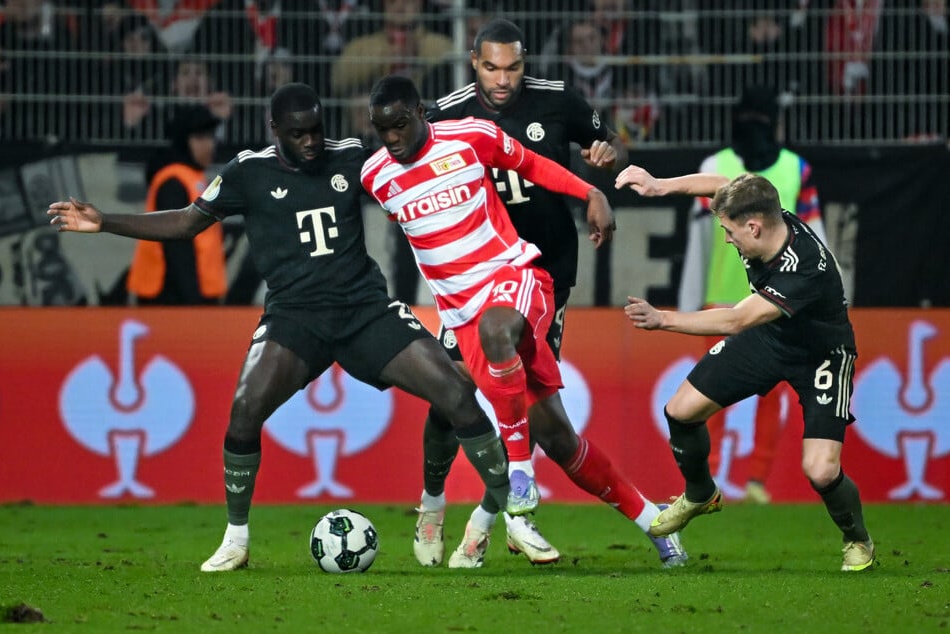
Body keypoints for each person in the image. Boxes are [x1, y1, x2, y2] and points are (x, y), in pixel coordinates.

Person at [47, 82, 515, 573]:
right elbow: (186, 224)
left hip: (364, 311)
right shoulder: (247, 173)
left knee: (457, 393)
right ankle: (236, 539)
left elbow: (417, 150)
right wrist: (105, 223)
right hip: (294, 319)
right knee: (245, 410)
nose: (311, 142)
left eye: (316, 131)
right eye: (299, 134)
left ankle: (492, 513)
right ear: (276, 131)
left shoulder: (352, 157)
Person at [362, 74, 686, 571]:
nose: (392, 138)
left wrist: (589, 194)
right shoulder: (375, 175)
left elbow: (532, 164)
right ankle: (654, 521)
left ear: (422, 112)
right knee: (557, 437)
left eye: (400, 125)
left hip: (516, 276)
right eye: (382, 129)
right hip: (459, 313)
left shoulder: (470, 134)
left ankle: (517, 479)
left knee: (497, 331)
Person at [615, 166, 875, 572]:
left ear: (753, 228)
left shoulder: (805, 268)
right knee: (680, 411)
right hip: (771, 337)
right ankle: (700, 493)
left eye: (730, 233)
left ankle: (858, 540)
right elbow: (720, 184)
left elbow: (735, 320)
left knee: (820, 470)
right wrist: (660, 185)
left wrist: (662, 320)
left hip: (822, 354)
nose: (726, 238)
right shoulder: (759, 211)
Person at [679, 84, 828, 504]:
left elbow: (699, 244)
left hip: (732, 298)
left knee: (710, 392)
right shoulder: (796, 169)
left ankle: (715, 482)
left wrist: (689, 300)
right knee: (762, 393)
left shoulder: (717, 164)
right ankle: (750, 481)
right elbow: (817, 239)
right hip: (772, 303)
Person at [127, 104, 227, 305]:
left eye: (210, 137)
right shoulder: (173, 181)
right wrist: (192, 299)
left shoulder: (192, 177)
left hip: (187, 292)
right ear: (183, 141)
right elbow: (176, 244)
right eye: (200, 138)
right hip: (169, 295)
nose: (209, 145)